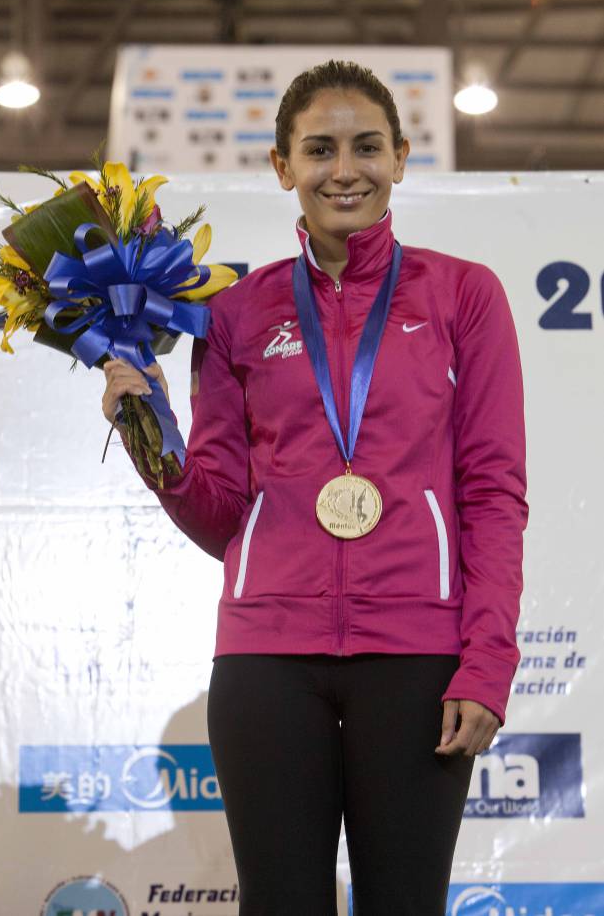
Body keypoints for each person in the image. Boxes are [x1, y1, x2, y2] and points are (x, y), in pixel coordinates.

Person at [102, 60, 528, 916]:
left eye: (367, 147)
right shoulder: (234, 314)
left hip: (416, 657)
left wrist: (485, 662)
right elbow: (224, 512)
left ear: (401, 158)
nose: (345, 169)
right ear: (280, 166)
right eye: (319, 149)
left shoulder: (463, 296)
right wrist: (154, 444)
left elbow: (492, 492)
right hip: (267, 658)